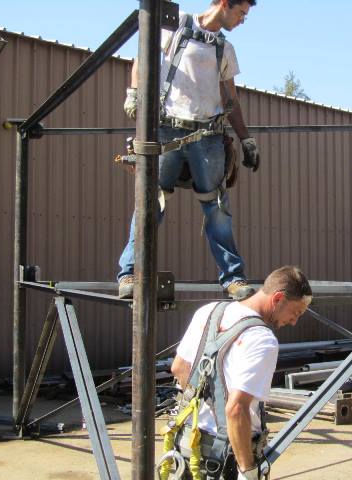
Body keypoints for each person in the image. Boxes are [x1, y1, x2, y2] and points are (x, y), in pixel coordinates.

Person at [117, 0, 260, 300]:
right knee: (150, 201)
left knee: (217, 207)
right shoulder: (177, 23)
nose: (243, 21)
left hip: (207, 135)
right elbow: (143, 57)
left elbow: (230, 101)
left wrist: (246, 139)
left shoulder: (226, 48)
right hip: (167, 128)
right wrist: (133, 93)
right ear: (223, 3)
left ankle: (233, 279)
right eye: (241, 13)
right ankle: (130, 273)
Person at [170, 266, 312, 480]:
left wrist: (206, 408)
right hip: (223, 458)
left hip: (187, 445)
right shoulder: (262, 339)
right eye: (296, 312)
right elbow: (236, 409)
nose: (294, 321)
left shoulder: (208, 311)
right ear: (278, 298)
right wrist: (247, 470)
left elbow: (179, 368)